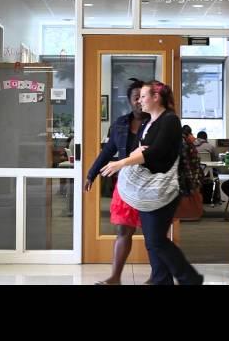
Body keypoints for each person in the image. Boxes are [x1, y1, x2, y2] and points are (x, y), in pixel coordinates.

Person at [100, 80, 204, 285]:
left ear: (156, 98)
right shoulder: (150, 122)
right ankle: (162, 280)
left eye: (144, 96)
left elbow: (153, 152)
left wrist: (122, 162)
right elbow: (142, 149)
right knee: (153, 241)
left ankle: (190, 278)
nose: (139, 100)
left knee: (156, 240)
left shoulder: (170, 120)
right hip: (148, 190)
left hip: (163, 190)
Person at [84, 78, 150, 285]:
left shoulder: (157, 122)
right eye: (135, 97)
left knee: (153, 234)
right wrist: (91, 174)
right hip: (126, 185)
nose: (139, 101)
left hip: (151, 185)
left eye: (143, 97)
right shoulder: (121, 123)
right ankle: (114, 277)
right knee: (123, 230)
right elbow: (108, 151)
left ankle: (158, 277)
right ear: (130, 101)